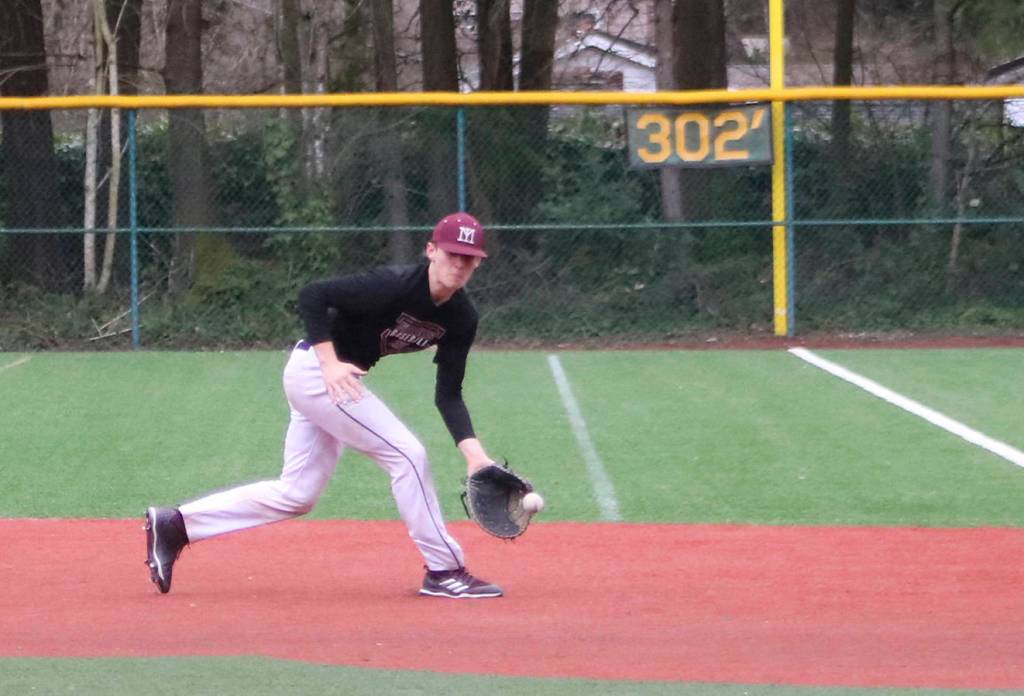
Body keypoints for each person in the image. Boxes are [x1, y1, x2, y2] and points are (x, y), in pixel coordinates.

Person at [145, 212, 503, 599]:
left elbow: (448, 393)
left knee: (297, 493)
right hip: (318, 373)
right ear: (431, 251)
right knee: (408, 455)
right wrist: (329, 364)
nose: (459, 264)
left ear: (478, 263)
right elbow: (313, 295)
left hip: (333, 381)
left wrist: (475, 457)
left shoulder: (462, 317)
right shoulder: (394, 285)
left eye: (469, 258)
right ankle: (444, 569)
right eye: (452, 254)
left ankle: (175, 525)